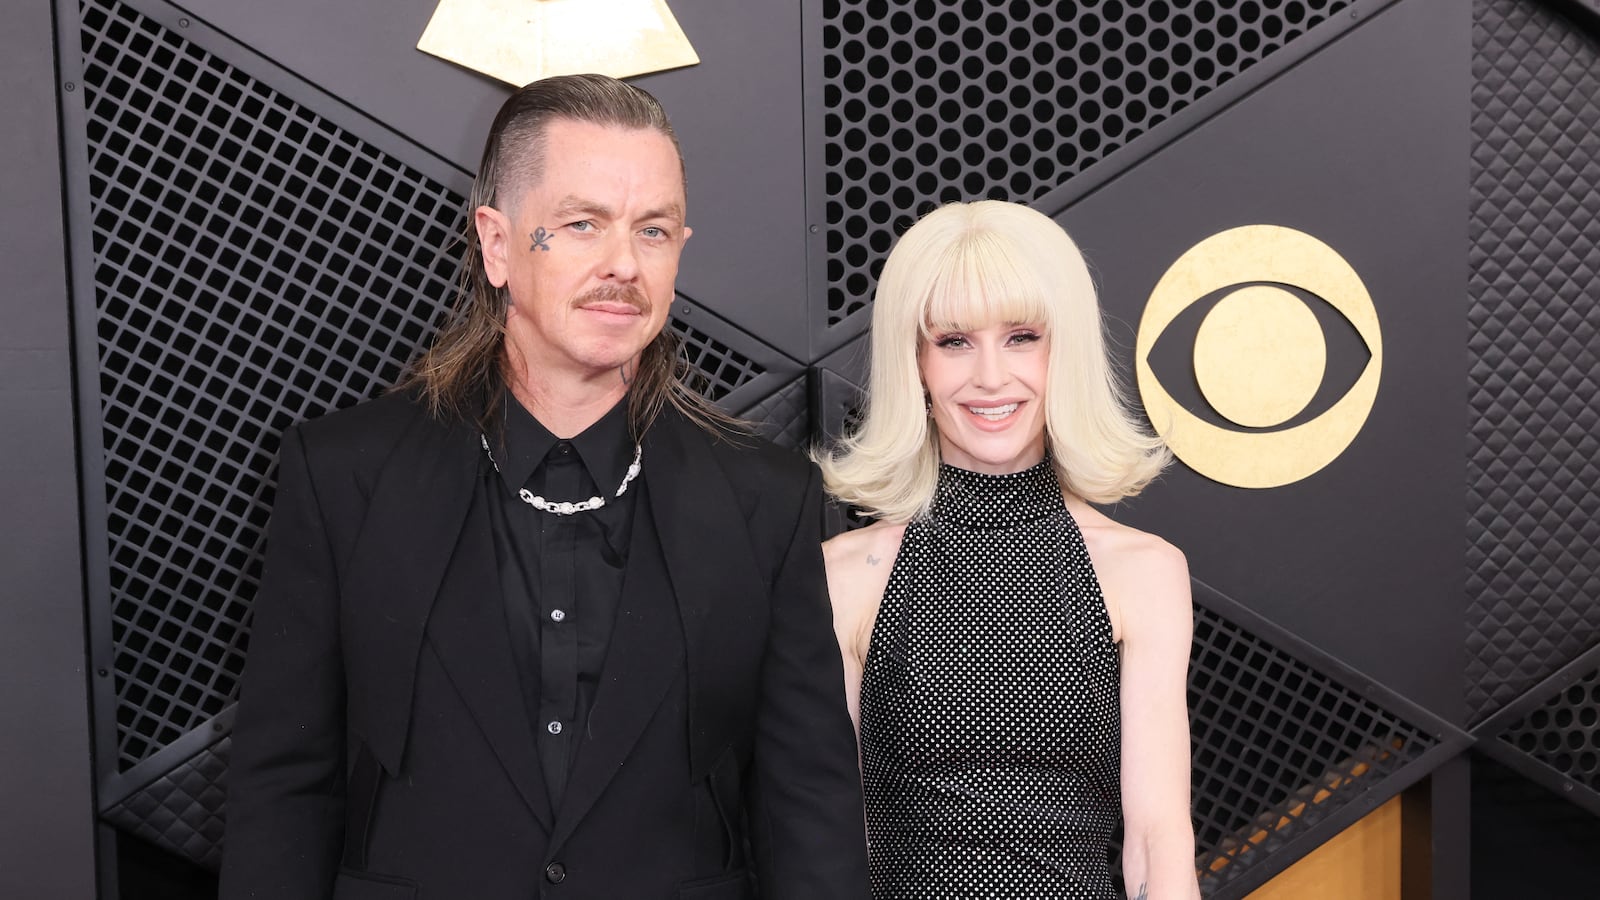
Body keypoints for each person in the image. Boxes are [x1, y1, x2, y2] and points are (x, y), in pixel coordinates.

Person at [220, 74, 869, 900]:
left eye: (655, 230)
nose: (623, 265)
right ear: (497, 243)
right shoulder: (345, 475)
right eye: (581, 224)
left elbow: (806, 803)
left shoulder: (766, 498)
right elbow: (283, 786)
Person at [817, 200, 1200, 899]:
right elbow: (835, 845)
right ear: (915, 362)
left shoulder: (1144, 572)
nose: (990, 377)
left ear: (1068, 351)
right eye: (955, 341)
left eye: (1022, 336)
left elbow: (1157, 840)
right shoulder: (846, 576)